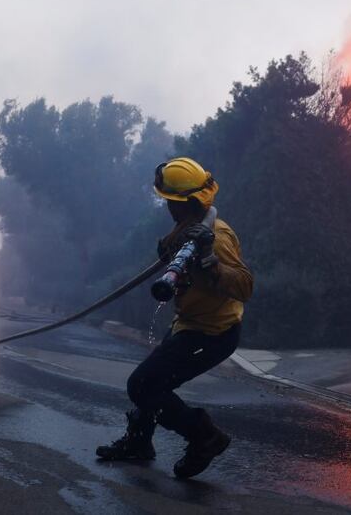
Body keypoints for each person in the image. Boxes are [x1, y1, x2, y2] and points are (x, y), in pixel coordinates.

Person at [97, 157, 254, 479]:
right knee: (155, 381)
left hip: (212, 333)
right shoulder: (187, 227)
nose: (167, 206)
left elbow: (245, 286)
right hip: (189, 325)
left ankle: (205, 437)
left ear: (182, 203)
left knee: (142, 384)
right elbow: (170, 255)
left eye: (170, 200)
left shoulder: (217, 237)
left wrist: (210, 261)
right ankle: (139, 442)